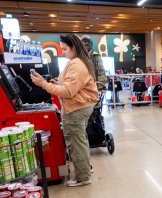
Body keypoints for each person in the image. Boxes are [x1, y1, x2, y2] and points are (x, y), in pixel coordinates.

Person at [31, 34, 98, 187]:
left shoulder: (76, 64)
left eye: (65, 49)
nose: (62, 52)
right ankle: (85, 169)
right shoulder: (77, 62)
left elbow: (68, 92)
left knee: (75, 142)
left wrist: (44, 84)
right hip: (80, 106)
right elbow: (71, 84)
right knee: (80, 140)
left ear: (74, 47)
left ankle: (83, 177)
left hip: (76, 108)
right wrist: (55, 82)